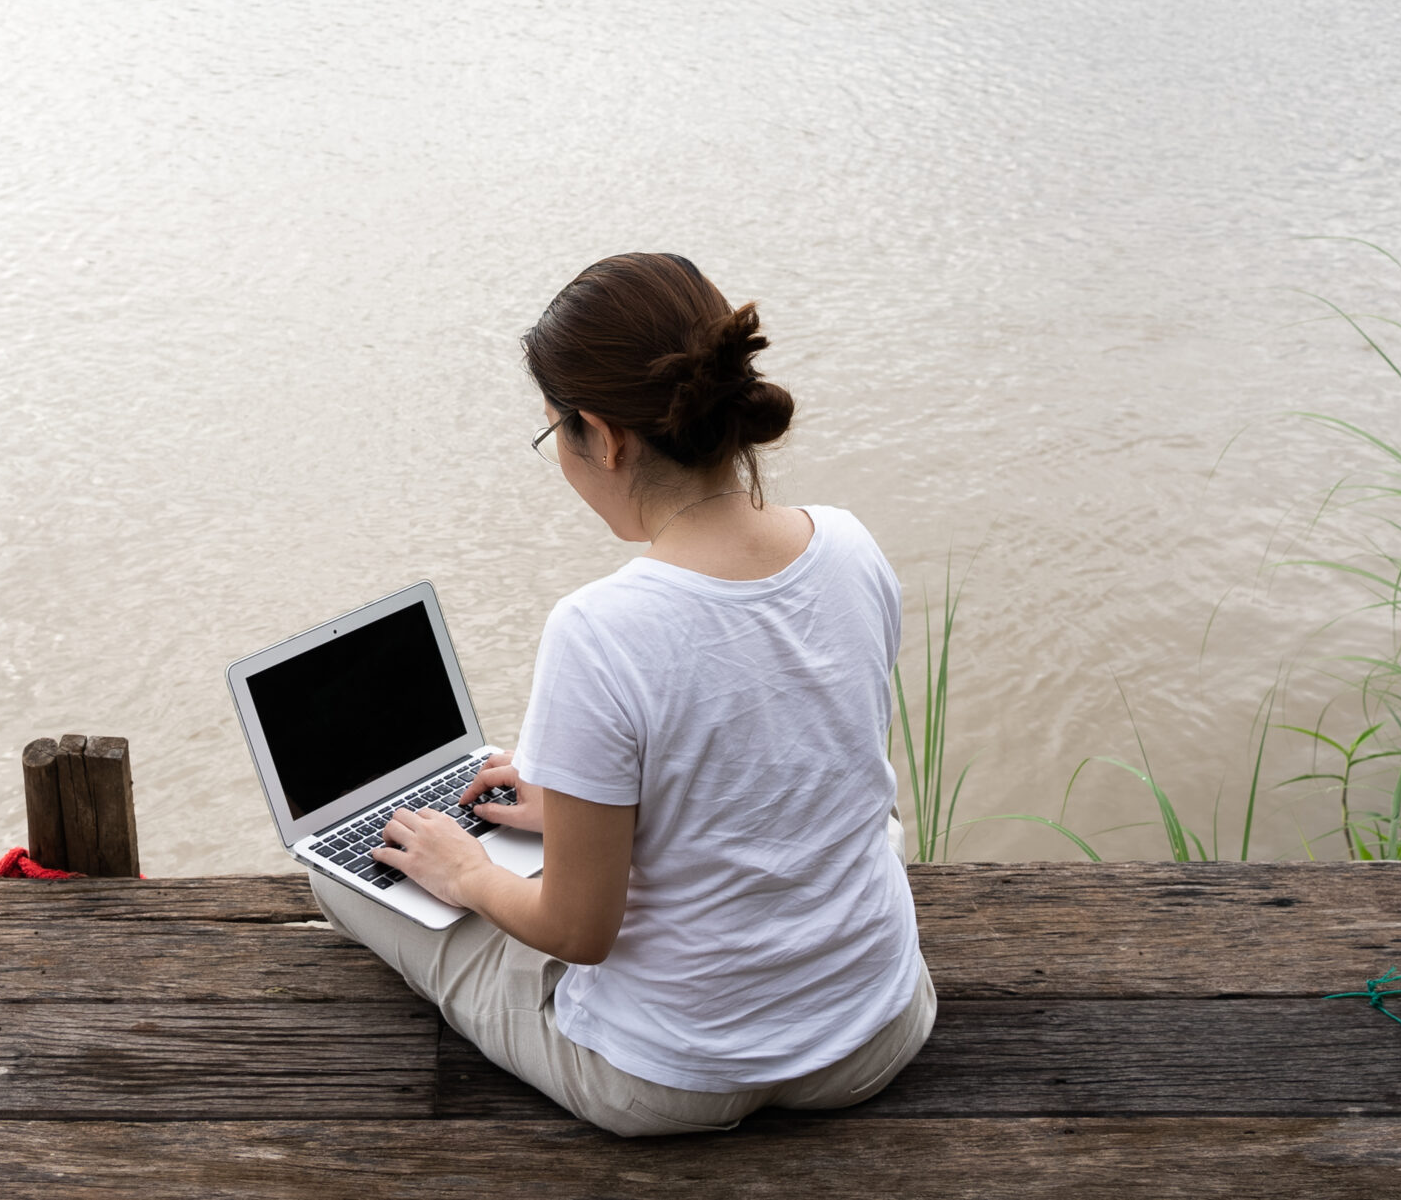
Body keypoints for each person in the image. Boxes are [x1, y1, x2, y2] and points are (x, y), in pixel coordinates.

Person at [306, 252, 933, 1137]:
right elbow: (780, 760)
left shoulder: (601, 629)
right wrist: (577, 804)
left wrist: (470, 870)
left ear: (602, 436)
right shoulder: (851, 545)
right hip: (875, 1032)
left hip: (672, 1078)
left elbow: (579, 931)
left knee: (348, 884)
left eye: (554, 433)